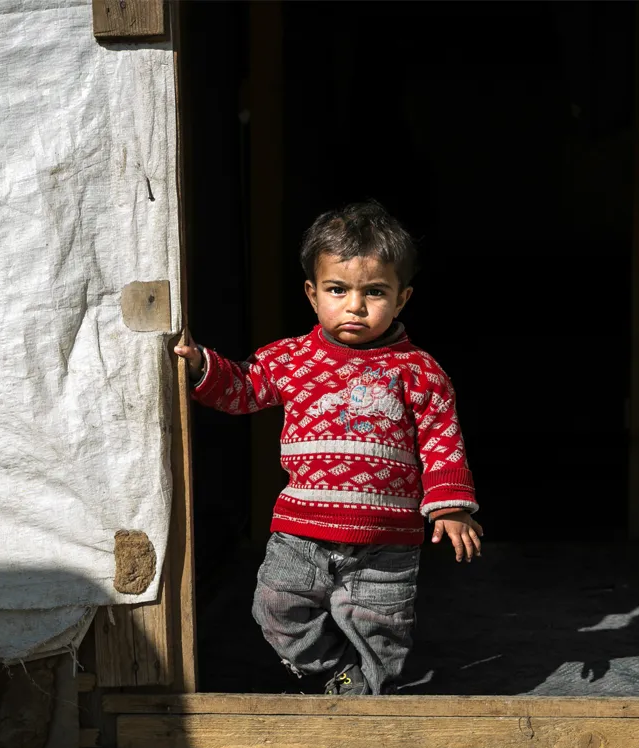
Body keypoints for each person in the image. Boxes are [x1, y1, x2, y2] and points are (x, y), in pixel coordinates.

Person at [175, 201, 483, 695]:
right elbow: (243, 389)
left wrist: (450, 507)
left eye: (375, 292)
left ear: (402, 299)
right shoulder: (291, 358)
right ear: (312, 293)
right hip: (302, 529)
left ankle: (368, 704)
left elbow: (442, 439)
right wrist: (198, 366)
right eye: (338, 290)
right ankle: (334, 674)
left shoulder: (420, 370)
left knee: (381, 628)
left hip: (386, 540)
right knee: (275, 608)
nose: (355, 306)